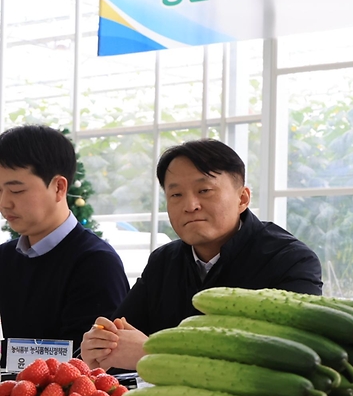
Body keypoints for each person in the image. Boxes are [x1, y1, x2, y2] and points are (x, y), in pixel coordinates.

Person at [80, 139, 322, 370]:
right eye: (176, 195)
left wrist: (155, 355)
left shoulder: (292, 261)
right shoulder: (163, 261)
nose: (190, 205)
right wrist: (100, 345)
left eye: (204, 190)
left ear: (243, 198)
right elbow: (119, 333)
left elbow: (291, 360)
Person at [0, 125, 129, 358]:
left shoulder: (96, 263)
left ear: (59, 187)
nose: (5, 203)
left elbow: (90, 363)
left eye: (16, 191)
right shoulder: (5, 257)